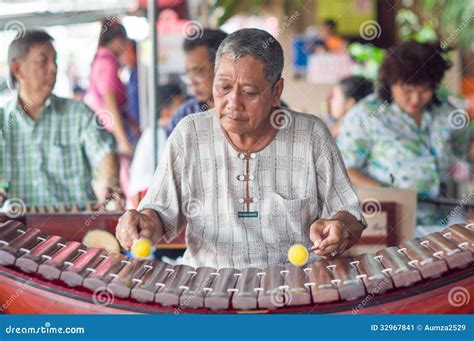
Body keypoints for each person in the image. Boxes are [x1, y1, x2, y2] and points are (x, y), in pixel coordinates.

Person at [115, 29, 366, 269]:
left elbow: (350, 215)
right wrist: (143, 223)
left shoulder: (311, 136)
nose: (233, 103)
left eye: (249, 92)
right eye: (223, 88)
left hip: (295, 281)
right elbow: (158, 214)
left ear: (276, 91)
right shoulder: (188, 134)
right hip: (207, 283)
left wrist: (339, 226)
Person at [337, 41, 469, 226]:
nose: (416, 99)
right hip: (390, 222)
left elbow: (466, 146)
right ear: (390, 83)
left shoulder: (444, 111)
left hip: (443, 218)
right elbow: (345, 169)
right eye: (407, 90)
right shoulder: (367, 115)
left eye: (424, 90)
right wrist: (390, 194)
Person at [1, 30, 120, 207]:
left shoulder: (78, 114)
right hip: (17, 230)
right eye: (43, 61)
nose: (53, 68)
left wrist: (109, 181)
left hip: (76, 228)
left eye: (55, 60)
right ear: (17, 69)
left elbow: (104, 152)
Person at [85, 19, 134, 200]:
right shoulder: (107, 61)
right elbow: (110, 102)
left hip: (106, 130)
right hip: (110, 133)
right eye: (124, 41)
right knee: (118, 187)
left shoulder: (101, 59)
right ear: (118, 39)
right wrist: (122, 140)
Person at [128, 84, 185, 203]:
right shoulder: (157, 134)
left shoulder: (158, 132)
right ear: (166, 113)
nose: (185, 111)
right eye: (179, 108)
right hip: (144, 198)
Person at [166, 29, 228, 137]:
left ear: (223, 67)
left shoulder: (241, 112)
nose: (191, 82)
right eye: (188, 73)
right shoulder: (184, 114)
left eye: (199, 71)